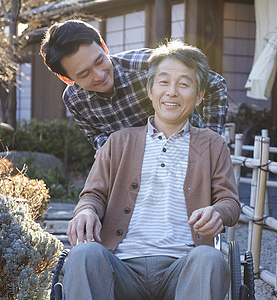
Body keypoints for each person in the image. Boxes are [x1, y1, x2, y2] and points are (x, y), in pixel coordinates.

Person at [61, 40, 241, 300]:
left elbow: (230, 202)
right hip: (120, 266)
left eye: (184, 84)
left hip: (183, 266)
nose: (172, 92)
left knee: (209, 258)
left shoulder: (212, 143)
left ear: (199, 95)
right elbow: (93, 195)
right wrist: (86, 211)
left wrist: (218, 212)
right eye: (164, 82)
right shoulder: (118, 141)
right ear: (149, 90)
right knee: (83, 254)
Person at [40, 20, 228, 151]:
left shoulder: (147, 64)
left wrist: (209, 140)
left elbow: (215, 84)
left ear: (104, 47)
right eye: (84, 74)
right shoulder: (74, 99)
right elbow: (95, 135)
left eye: (99, 61)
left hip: (187, 153)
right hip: (136, 172)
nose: (99, 75)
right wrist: (108, 150)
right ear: (67, 79)